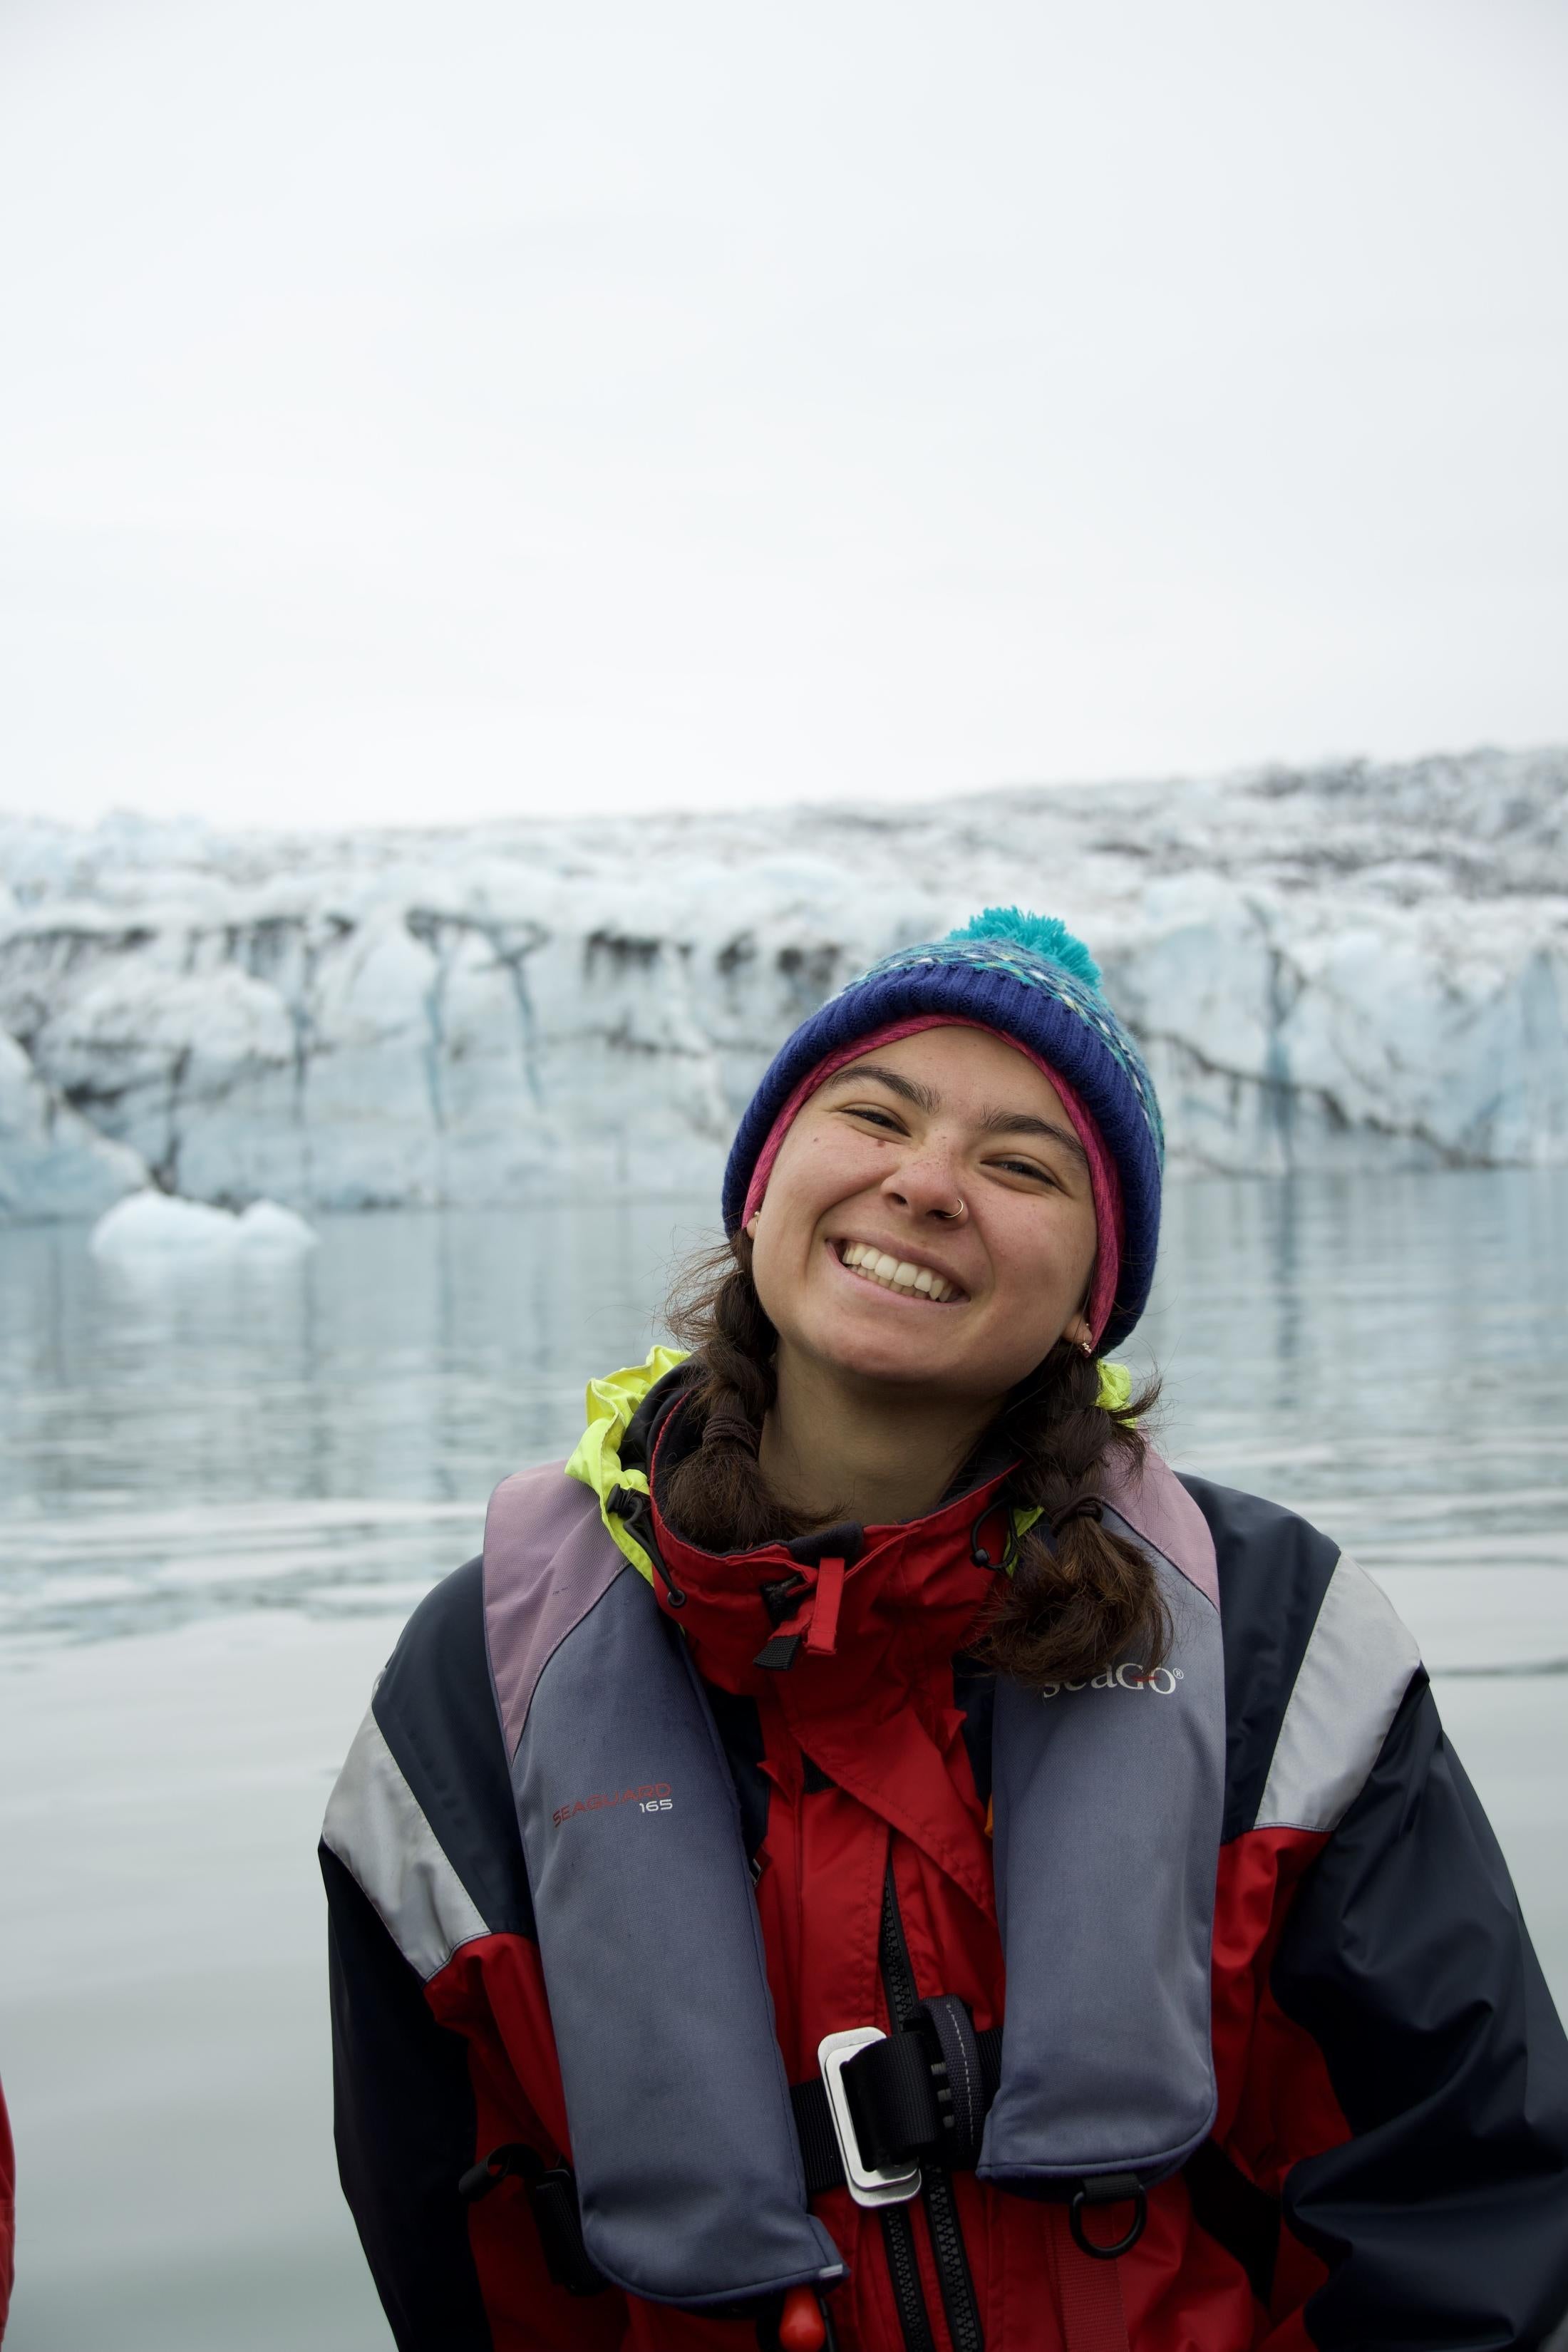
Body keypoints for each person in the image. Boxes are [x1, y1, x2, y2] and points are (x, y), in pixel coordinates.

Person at [321, 908, 1568, 2352]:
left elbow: (1458, 2209)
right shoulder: (485, 1680)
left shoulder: (1275, 1645)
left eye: (1021, 1164)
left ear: (1090, 1298)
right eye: (872, 1114)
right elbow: (459, 2259)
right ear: (764, 1180)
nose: (923, 1187)